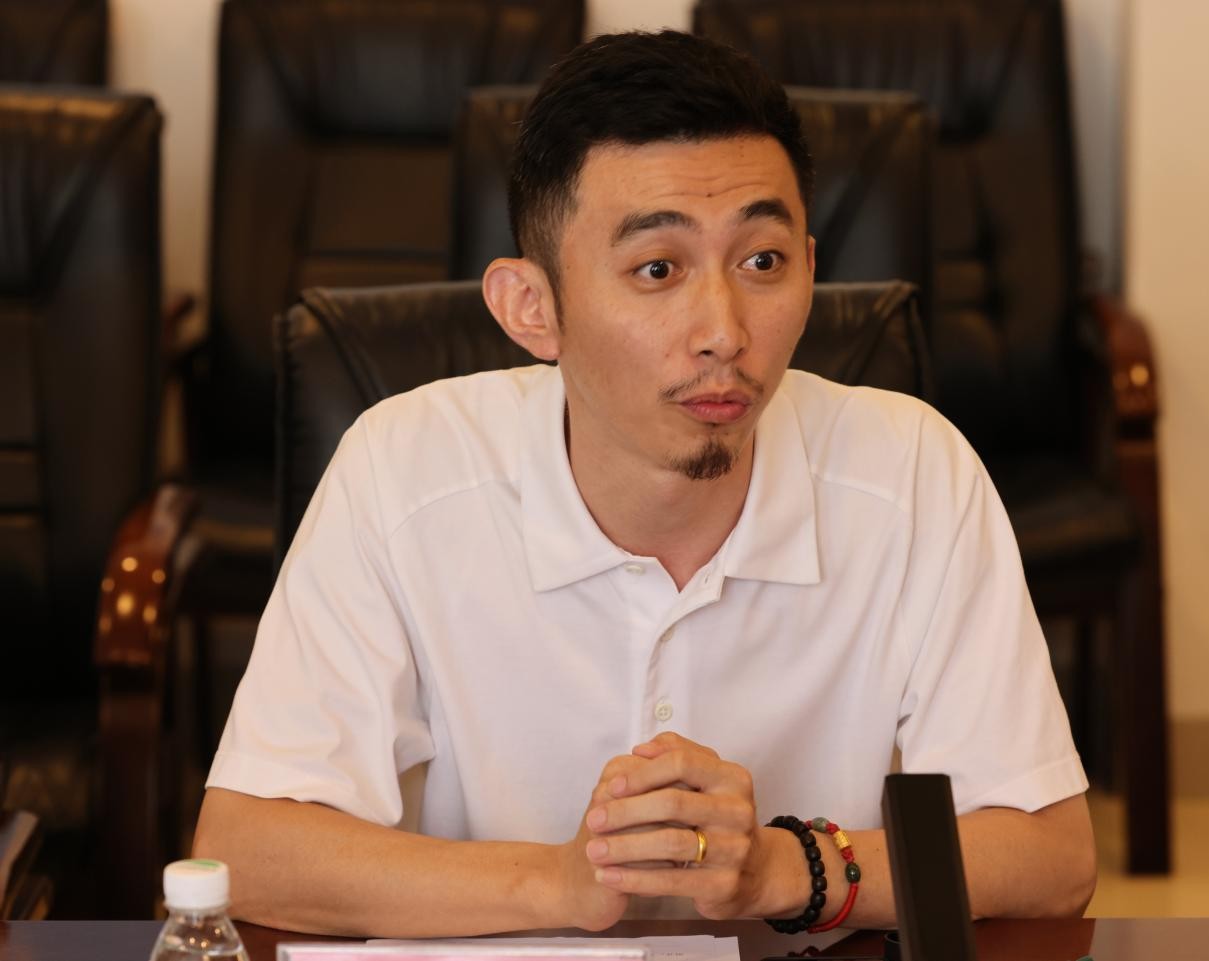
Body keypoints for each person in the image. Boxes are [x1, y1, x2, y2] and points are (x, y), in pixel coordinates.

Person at [192, 30, 1095, 937]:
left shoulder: (911, 472)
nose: (723, 332)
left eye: (762, 261)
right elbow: (246, 851)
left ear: (812, 269)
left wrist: (781, 866)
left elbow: (1051, 856)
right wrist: (559, 883)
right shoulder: (402, 470)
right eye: (657, 269)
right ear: (530, 307)